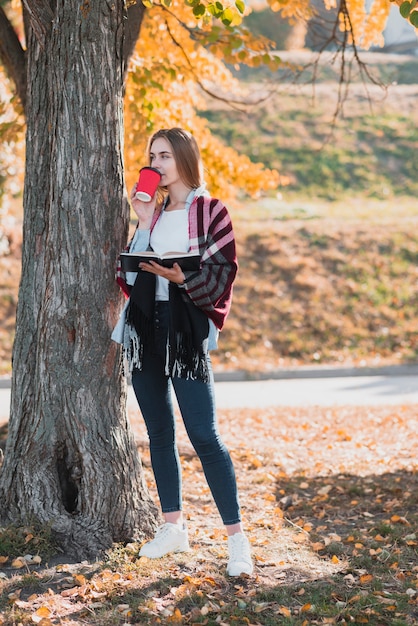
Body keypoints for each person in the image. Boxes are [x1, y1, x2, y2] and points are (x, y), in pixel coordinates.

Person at [112, 128, 253, 577]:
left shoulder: (212, 212)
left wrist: (177, 279)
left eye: (165, 155)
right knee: (158, 433)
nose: (156, 162)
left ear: (185, 159)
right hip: (144, 329)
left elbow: (221, 273)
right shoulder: (151, 213)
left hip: (184, 329)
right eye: (151, 155)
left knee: (205, 435)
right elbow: (129, 278)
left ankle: (237, 542)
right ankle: (173, 527)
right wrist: (143, 222)